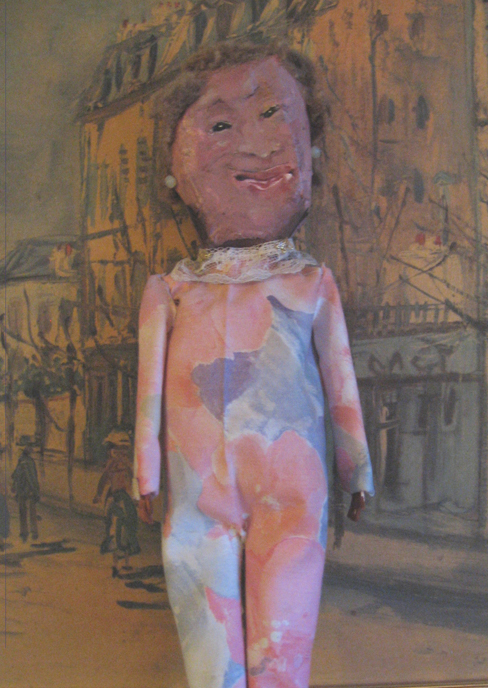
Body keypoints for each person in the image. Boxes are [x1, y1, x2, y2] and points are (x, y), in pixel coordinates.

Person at [134, 41, 374, 688]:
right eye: (220, 125)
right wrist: (146, 471)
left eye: (274, 114)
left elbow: (341, 381)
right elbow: (150, 393)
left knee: (284, 647)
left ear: (310, 152)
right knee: (208, 648)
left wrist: (355, 466)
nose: (258, 143)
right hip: (196, 491)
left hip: (294, 488)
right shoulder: (171, 293)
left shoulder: (310, 284)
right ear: (174, 169)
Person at [93, 430, 140, 576]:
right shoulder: (111, 465)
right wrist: (99, 494)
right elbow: (104, 480)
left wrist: (136, 497)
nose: (119, 453)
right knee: (113, 531)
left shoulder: (128, 465)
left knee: (127, 531)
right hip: (114, 499)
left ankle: (126, 562)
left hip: (126, 501)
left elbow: (135, 480)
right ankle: (115, 564)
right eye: (116, 449)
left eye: (123, 450)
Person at [11, 435, 40, 543]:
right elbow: (31, 478)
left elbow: (15, 474)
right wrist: (36, 491)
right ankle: (32, 532)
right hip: (28, 490)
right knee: (30, 511)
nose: (32, 449)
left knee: (23, 512)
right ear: (25, 447)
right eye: (29, 446)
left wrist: (14, 485)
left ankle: (25, 533)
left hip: (22, 490)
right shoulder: (27, 461)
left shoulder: (23, 460)